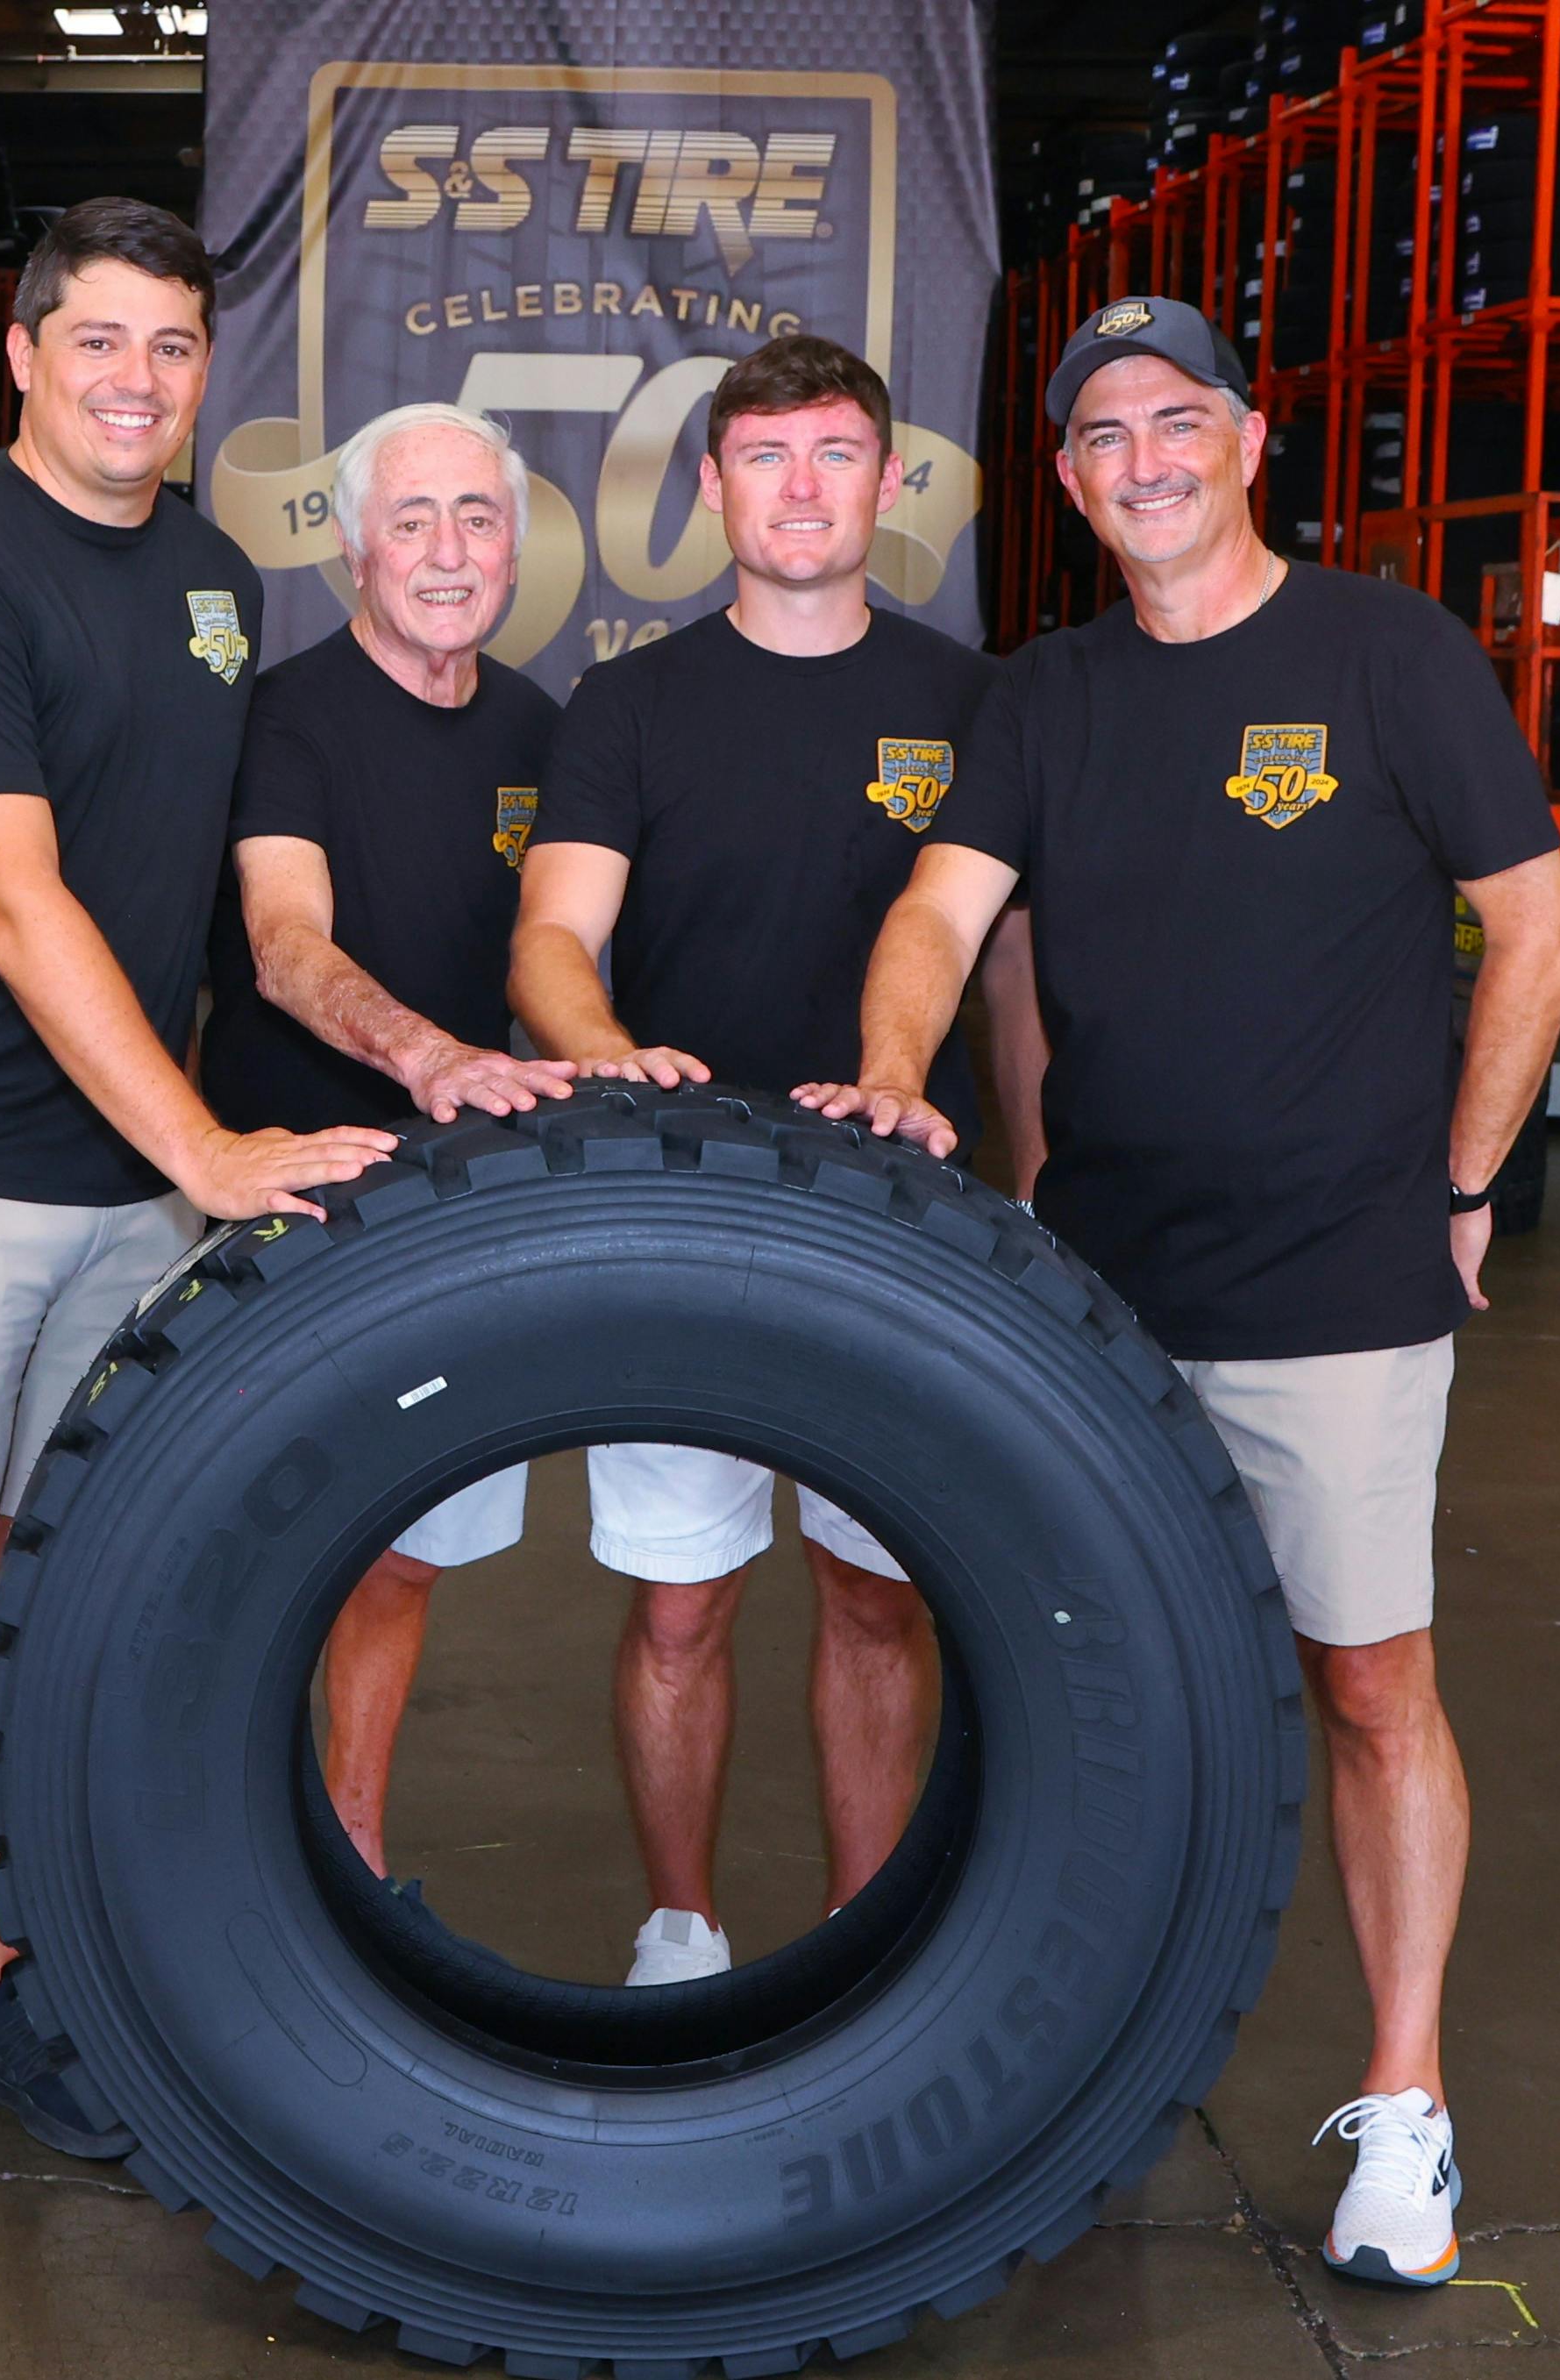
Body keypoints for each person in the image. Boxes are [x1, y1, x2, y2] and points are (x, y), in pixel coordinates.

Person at [794, 295, 1560, 2293]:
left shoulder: (1387, 652)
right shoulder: (1044, 694)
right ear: (1067, 484)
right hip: (1100, 1288)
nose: (1140, 460)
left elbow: (1536, 929)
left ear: (1245, 438)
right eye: (1099, 436)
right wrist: (891, 1072)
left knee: (1367, 1681)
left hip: (1336, 1281)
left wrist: (1465, 1179)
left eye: (1174, 420)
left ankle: (1404, 2097)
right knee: (1079, 1680)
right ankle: (1061, 2065)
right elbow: (936, 911)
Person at [0, 197, 398, 2284]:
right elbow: (14, 896)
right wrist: (206, 1143)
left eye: (172, 348)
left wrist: (395, 1053)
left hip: (122, 1199)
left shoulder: (215, 582)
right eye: (99, 341)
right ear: (24, 356)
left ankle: (2, 1993)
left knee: (40, 1628)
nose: (137, 380)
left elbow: (226, 890)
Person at [509, 331, 1012, 1987]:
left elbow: (1010, 971)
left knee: (877, 1595)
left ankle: (863, 1940)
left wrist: (1035, 1178)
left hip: (906, 1215)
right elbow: (551, 937)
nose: (802, 487)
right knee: (680, 1604)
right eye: (767, 455)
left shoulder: (970, 702)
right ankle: (682, 1930)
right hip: (681, 1203)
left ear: (889, 478)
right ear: (711, 482)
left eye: (835, 452)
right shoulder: (629, 702)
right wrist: (603, 1052)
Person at [193, 400, 580, 1876]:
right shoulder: (287, 716)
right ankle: (223, 1857)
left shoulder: (539, 730)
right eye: (410, 520)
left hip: (455, 1208)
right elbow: (283, 942)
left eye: (477, 517)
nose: (446, 550)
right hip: (289, 1199)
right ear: (352, 549)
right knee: (254, 1552)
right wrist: (427, 1058)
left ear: (516, 548)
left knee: (406, 1553)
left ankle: (350, 1859)